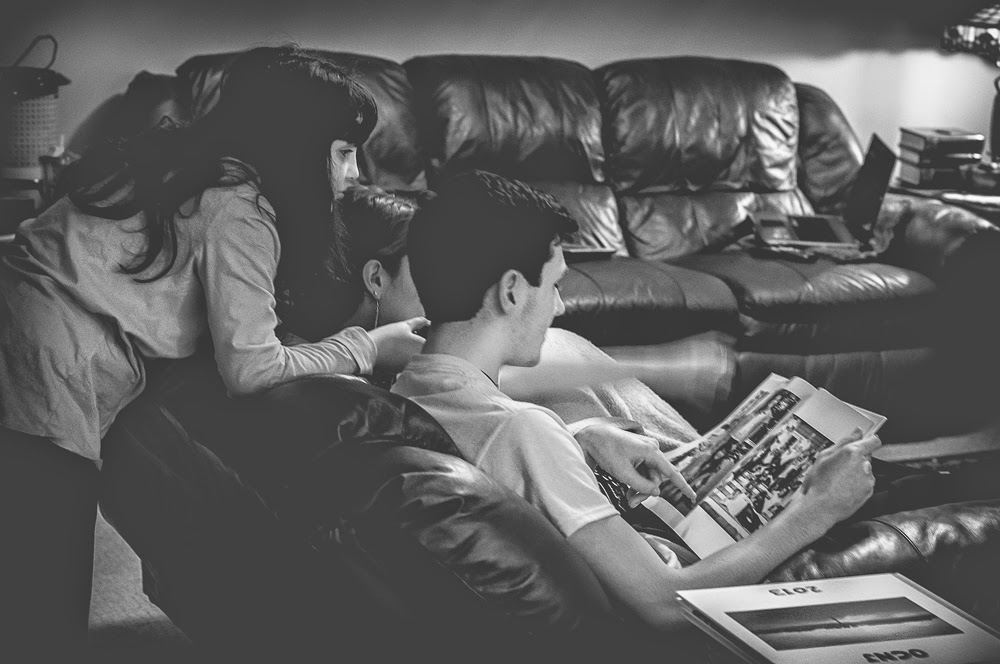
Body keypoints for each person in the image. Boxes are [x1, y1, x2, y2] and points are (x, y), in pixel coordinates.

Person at [0, 46, 426, 656]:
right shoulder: (242, 206)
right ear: (297, 145)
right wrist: (369, 346)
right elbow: (251, 367)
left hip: (18, 322)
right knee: (43, 604)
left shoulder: (187, 166)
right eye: (343, 152)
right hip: (45, 367)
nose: (355, 173)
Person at [389, 169, 881, 631]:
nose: (558, 306)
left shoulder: (400, 391)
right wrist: (815, 511)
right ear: (512, 291)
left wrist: (579, 438)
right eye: (554, 285)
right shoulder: (522, 430)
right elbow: (666, 603)